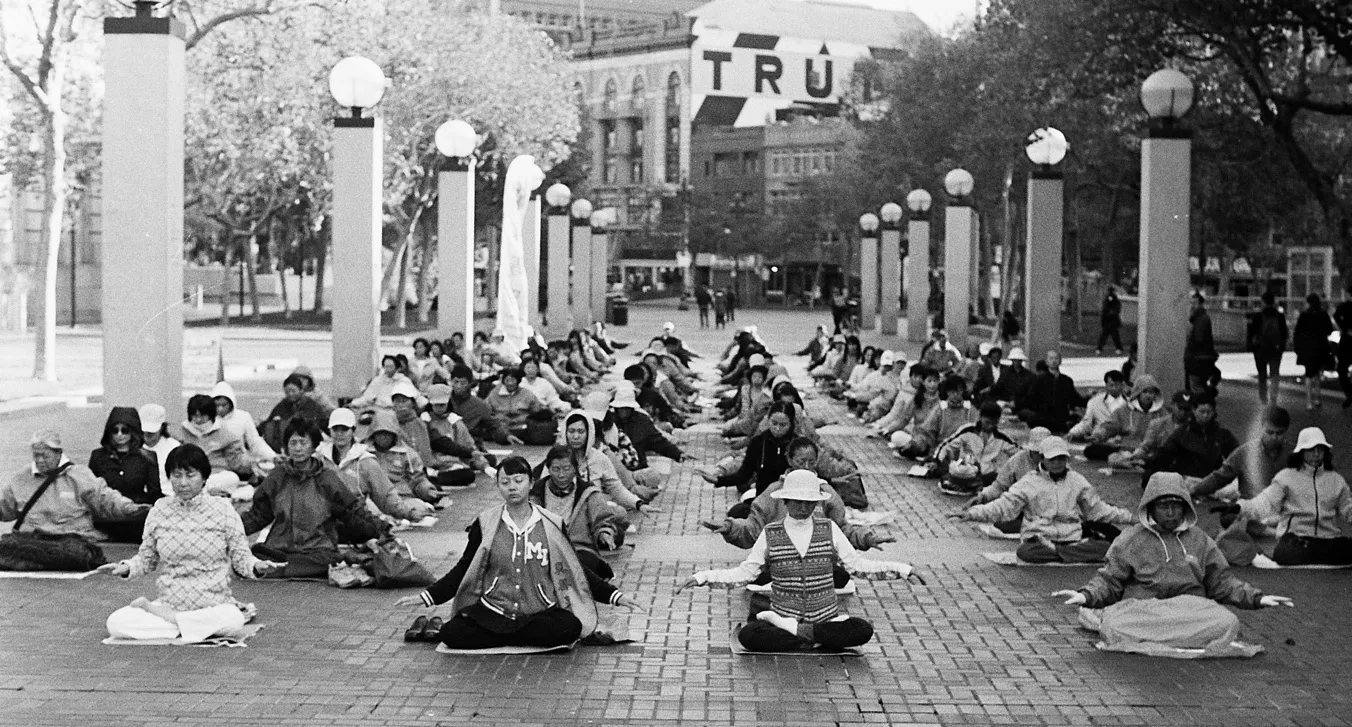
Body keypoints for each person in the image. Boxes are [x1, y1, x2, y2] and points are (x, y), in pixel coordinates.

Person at [394, 456, 642, 649]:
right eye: (505, 482)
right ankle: (515, 637)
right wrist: (427, 597)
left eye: (518, 480)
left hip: (538, 612)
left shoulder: (553, 524)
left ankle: (506, 638)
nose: (512, 487)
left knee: (569, 627)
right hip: (495, 609)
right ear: (498, 486)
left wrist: (615, 596)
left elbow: (576, 569)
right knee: (452, 633)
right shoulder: (486, 522)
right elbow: (464, 567)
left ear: (531, 483)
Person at [1051, 472, 1292, 657]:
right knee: (1115, 625)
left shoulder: (1200, 539)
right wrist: (1086, 595)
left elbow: (1221, 582)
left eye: (1176, 506)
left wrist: (1258, 598)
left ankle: (1166, 637)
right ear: (1150, 507)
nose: (1170, 513)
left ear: (1185, 507)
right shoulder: (1130, 539)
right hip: (1144, 610)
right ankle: (1180, 638)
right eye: (1163, 506)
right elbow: (1110, 580)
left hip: (1189, 609)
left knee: (1228, 621)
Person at [678, 470, 922, 653]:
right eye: (797, 501)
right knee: (750, 635)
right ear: (785, 502)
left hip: (824, 617)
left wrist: (901, 569)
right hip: (785, 614)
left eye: (810, 503)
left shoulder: (830, 529)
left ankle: (801, 634)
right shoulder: (771, 533)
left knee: (863, 630)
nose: (804, 508)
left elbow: (858, 566)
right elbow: (745, 573)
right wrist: (703, 577)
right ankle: (814, 638)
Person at [99, 444, 283, 643]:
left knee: (233, 620)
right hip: (170, 602)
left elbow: (241, 557)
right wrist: (126, 567)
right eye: (177, 476)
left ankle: (174, 623)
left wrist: (257, 566)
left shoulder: (223, 510)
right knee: (116, 623)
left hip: (213, 604)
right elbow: (147, 559)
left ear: (204, 478)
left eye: (190, 475)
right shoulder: (160, 510)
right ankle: (187, 625)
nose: (183, 483)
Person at [951, 436, 1135, 563]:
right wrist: (972, 513)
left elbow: (1098, 509)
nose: (1057, 463)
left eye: (1061, 458)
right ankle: (1065, 554)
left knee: (1106, 547)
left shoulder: (1077, 481)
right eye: (1053, 459)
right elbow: (1003, 506)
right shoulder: (1029, 482)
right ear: (1044, 459)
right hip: (1040, 539)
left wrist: (1130, 518)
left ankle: (1062, 553)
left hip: (1071, 538)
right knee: (1026, 552)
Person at [241, 419, 388, 576]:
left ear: (313, 447)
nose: (298, 449)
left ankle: (287, 568)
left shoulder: (326, 478)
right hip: (280, 548)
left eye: (303, 443)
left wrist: (383, 530)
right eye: (293, 443)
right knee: (254, 556)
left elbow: (352, 512)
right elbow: (258, 514)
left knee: (325, 560)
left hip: (318, 550)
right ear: (286, 447)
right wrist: (230, 529)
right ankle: (286, 567)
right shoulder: (277, 477)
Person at [1, 429, 150, 548]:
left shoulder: (79, 475)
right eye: (36, 455)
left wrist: (132, 509)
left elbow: (105, 500)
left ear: (58, 453)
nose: (39, 461)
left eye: (44, 456)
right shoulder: (22, 478)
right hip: (31, 542)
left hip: (73, 541)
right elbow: (5, 508)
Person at [1232, 427, 1352, 566]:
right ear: (1301, 452)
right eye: (1311, 450)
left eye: (1320, 449)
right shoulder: (1286, 477)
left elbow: (1348, 508)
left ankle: (1320, 559)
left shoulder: (1337, 480)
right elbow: (1264, 503)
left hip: (1329, 540)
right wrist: (1239, 507)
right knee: (1286, 552)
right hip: (1297, 540)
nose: (1316, 454)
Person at [1190, 406, 1291, 566]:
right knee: (1228, 517)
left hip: (1281, 511)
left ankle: (1274, 530)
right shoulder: (1245, 452)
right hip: (1251, 510)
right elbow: (1220, 477)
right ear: (1261, 428)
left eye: (1279, 434)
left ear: (1285, 432)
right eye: (1269, 432)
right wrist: (1194, 490)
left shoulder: (1293, 455)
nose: (1274, 437)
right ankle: (1274, 532)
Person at [318, 408, 433, 523]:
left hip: (356, 518)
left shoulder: (366, 461)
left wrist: (409, 512)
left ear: (353, 431)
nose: (339, 434)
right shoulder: (319, 459)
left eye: (344, 429)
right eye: (335, 429)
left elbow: (385, 495)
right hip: (325, 518)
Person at [531, 446, 626, 580]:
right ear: (549, 469)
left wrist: (604, 533)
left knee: (580, 564)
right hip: (544, 548)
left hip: (579, 548)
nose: (561, 475)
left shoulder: (588, 492)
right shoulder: (537, 491)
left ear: (575, 469)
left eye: (566, 469)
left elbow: (603, 519)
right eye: (556, 469)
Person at [700, 402, 799, 516]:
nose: (777, 428)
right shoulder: (758, 442)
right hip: (764, 500)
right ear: (768, 420)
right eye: (774, 423)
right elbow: (744, 474)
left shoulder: (797, 445)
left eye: (783, 425)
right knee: (736, 513)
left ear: (791, 424)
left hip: (790, 503)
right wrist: (718, 480)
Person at [88, 406, 162, 542]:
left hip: (136, 521)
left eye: (125, 430)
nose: (120, 435)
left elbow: (154, 492)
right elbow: (91, 491)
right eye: (115, 430)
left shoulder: (148, 457)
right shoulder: (98, 456)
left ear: (133, 431)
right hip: (106, 521)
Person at [965, 427, 1052, 534]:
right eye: (1036, 453)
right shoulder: (1018, 460)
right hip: (1024, 508)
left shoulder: (1058, 465)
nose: (1039, 457)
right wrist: (982, 497)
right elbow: (1000, 486)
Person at [1144, 391, 1238, 485]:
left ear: (1213, 412)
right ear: (1194, 411)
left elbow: (1237, 456)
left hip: (1211, 481)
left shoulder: (1223, 435)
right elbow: (1163, 455)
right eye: (1202, 412)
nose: (1205, 415)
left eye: (1209, 412)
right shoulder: (1182, 434)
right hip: (1185, 479)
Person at [178, 394, 259, 498]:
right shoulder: (181, 432)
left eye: (202, 416)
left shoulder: (225, 434)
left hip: (216, 474)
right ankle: (206, 490)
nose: (198, 420)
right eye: (195, 416)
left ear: (211, 414)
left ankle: (203, 490)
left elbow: (236, 462)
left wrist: (250, 464)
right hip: (188, 473)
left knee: (232, 478)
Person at [934, 401, 1018, 496]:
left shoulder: (1003, 438)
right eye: (987, 422)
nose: (990, 426)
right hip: (967, 472)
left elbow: (1020, 455)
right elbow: (946, 446)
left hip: (988, 476)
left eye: (994, 423)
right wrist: (938, 461)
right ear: (980, 417)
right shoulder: (967, 430)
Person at [1083, 375, 1167, 463]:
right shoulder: (1124, 410)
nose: (1148, 395)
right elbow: (1110, 427)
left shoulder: (1161, 413)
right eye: (1145, 392)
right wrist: (1098, 435)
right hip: (1126, 449)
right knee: (1090, 450)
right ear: (1138, 393)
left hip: (1149, 451)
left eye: (1151, 392)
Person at [897, 375, 977, 461]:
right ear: (947, 392)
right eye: (952, 391)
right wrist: (913, 444)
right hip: (942, 450)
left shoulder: (970, 410)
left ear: (963, 391)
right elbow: (926, 433)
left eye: (959, 391)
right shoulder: (940, 409)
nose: (955, 394)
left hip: (965, 451)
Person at [446, 364, 517, 446]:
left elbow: (494, 425)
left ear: (470, 383)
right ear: (451, 381)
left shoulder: (481, 405)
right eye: (456, 382)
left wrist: (506, 436)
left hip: (471, 445)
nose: (458, 386)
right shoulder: (443, 400)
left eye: (463, 383)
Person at [1015, 350, 1085, 433]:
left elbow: (1074, 398)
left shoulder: (1066, 380)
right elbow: (1030, 398)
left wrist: (1089, 400)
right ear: (1047, 362)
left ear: (1060, 361)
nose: (1054, 361)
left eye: (1056, 358)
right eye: (1051, 358)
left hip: (1061, 418)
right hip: (1043, 418)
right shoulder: (1039, 379)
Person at [260, 372, 330, 453]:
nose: (290, 394)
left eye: (293, 391)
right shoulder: (282, 405)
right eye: (287, 392)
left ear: (301, 390)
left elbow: (323, 424)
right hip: (285, 448)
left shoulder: (312, 405)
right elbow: (268, 422)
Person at [210, 381, 277, 464]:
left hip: (239, 462)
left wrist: (273, 456)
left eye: (224, 405)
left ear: (231, 403)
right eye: (216, 405)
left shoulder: (243, 417)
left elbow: (255, 442)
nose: (220, 409)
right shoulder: (207, 419)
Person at [485, 368, 555, 445]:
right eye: (507, 380)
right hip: (500, 427)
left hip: (521, 427)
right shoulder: (494, 394)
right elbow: (486, 409)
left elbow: (537, 409)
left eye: (513, 380)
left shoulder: (526, 394)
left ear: (518, 381)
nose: (510, 383)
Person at [1293, 293, 1334, 411]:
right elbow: (1329, 330)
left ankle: (1309, 401)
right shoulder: (1323, 314)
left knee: (1308, 374)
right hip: (1321, 347)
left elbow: (1298, 332)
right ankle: (1318, 397)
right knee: (1317, 373)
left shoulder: (1304, 315)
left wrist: (1298, 347)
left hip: (1307, 348)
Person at [1247, 291, 1289, 405]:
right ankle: (1273, 397)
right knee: (1275, 373)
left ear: (1263, 302)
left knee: (1262, 374)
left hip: (1261, 349)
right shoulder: (1279, 316)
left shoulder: (1258, 316)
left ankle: (1263, 397)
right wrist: (1282, 347)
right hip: (1275, 349)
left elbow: (1251, 332)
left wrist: (1251, 346)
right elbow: (1284, 332)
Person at [350, 355, 418, 414]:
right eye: (386, 367)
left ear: (396, 368)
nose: (388, 369)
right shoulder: (377, 380)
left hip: (398, 412)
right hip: (379, 411)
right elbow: (367, 398)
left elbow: (415, 397)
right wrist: (353, 403)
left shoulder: (404, 380)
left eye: (391, 367)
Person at [138, 403, 181, 487]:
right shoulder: (133, 447)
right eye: (144, 430)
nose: (147, 433)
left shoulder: (173, 447)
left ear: (162, 427)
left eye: (151, 431)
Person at [1185, 292, 1219, 393]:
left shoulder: (1200, 319)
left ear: (1200, 304)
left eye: (1194, 303)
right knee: (1199, 385)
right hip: (1201, 358)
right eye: (1191, 303)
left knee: (1196, 386)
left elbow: (1198, 340)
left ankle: (1200, 403)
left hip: (1197, 359)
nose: (1192, 306)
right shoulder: (1200, 318)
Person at [1334, 284, 1352, 408]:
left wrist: (1343, 327)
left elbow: (1336, 316)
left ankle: (1349, 393)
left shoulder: (1344, 307)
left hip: (1347, 340)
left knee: (1342, 369)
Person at [1097, 286, 1123, 355]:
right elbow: (1117, 308)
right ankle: (1118, 349)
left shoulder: (1110, 299)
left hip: (1109, 320)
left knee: (1106, 336)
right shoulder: (1113, 299)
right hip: (1110, 320)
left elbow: (1106, 308)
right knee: (1113, 336)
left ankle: (1099, 349)